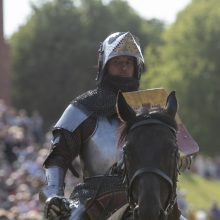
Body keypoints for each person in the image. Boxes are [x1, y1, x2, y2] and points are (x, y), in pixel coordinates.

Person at [39, 32, 185, 220]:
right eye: (117, 62)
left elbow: (180, 152)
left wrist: (182, 156)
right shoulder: (82, 108)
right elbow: (57, 158)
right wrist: (53, 195)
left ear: (136, 67)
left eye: (129, 63)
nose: (124, 67)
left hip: (148, 195)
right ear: (105, 66)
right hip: (92, 201)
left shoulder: (152, 107)